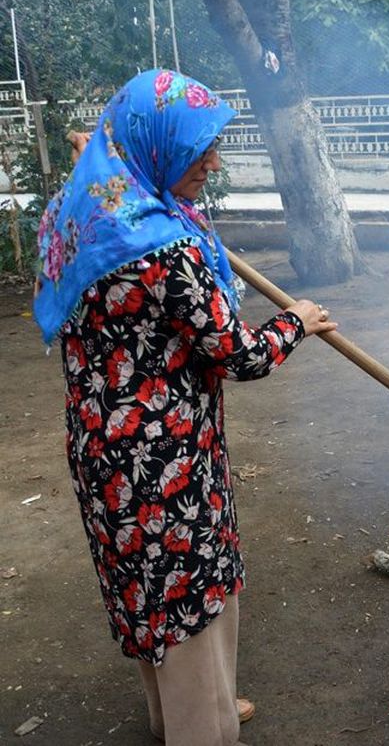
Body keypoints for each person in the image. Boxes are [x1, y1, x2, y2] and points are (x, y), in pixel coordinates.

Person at [33, 69, 337, 745]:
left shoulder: (90, 208)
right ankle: (204, 724)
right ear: (155, 146)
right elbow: (238, 354)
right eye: (198, 148)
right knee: (191, 600)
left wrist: (101, 151)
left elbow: (94, 175)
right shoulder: (167, 253)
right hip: (163, 459)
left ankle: (183, 712)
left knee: (146, 591)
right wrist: (298, 321)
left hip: (102, 452)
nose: (213, 163)